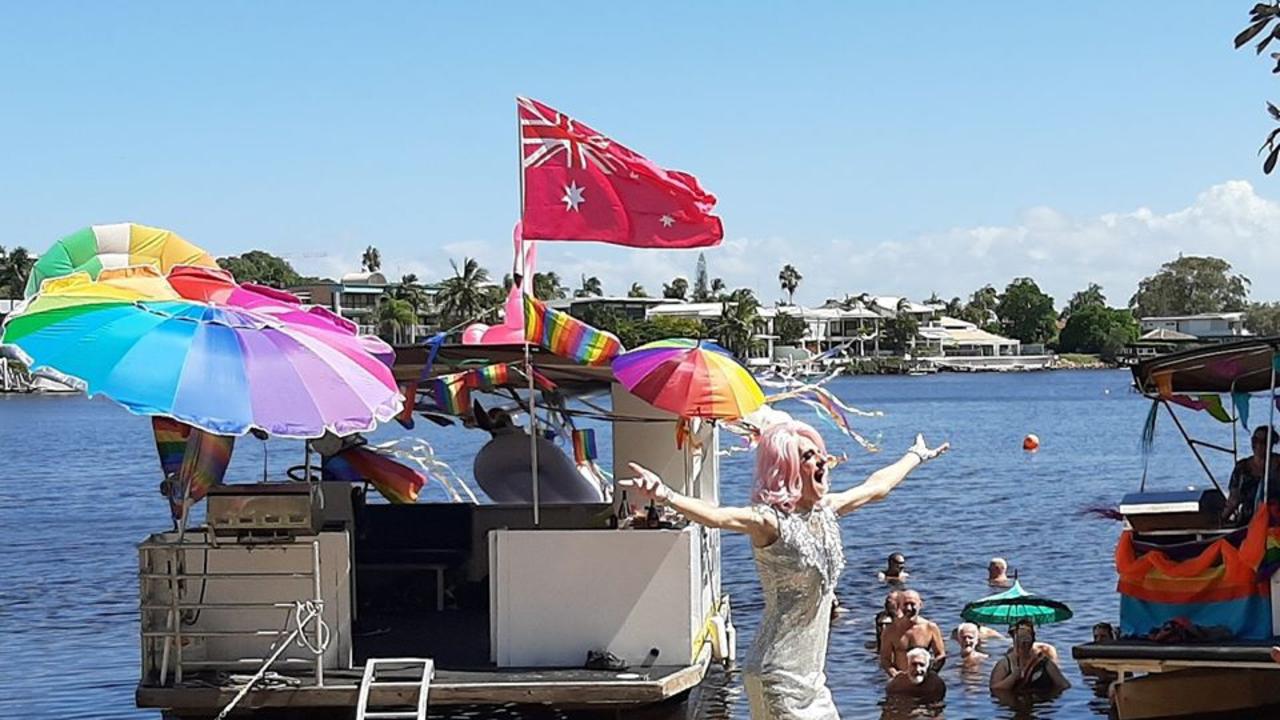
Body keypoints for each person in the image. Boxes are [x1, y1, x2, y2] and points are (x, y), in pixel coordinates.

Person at [620, 422, 949, 720]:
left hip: (812, 675)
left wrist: (915, 456)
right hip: (776, 672)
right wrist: (665, 495)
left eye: (821, 453)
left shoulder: (825, 512)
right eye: (809, 456)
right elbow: (718, 516)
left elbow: (876, 487)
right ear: (788, 469)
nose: (822, 461)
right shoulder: (769, 522)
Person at [990, 619, 1070, 694]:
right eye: (1020, 638)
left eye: (1027, 637)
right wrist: (1013, 677)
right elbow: (995, 688)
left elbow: (1064, 685)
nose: (1024, 642)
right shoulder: (1004, 664)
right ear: (1014, 638)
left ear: (1033, 638)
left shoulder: (1045, 663)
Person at [880, 590, 947, 677]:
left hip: (924, 677)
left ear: (920, 604)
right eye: (905, 604)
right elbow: (885, 659)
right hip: (901, 678)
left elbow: (940, 655)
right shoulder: (890, 630)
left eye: (912, 604)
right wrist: (894, 674)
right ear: (899, 606)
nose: (909, 608)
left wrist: (931, 673)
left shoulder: (930, 628)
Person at [1223, 425, 1280, 525]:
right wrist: (1223, 518)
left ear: (1271, 443)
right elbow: (1233, 498)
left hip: (1275, 522)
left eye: (1263, 441)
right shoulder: (1242, 467)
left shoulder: (1278, 465)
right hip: (1248, 523)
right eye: (1255, 440)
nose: (1258, 445)